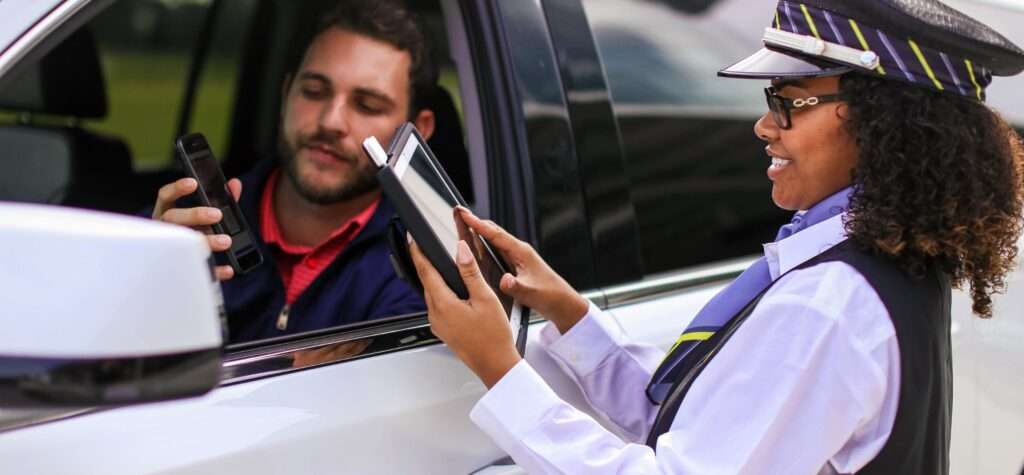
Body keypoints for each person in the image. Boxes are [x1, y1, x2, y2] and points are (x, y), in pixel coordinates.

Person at [407, 0, 1024, 473]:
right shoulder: (874, 267)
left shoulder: (827, 305)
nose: (763, 125)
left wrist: (499, 368)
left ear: (882, 124)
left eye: (789, 102)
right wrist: (569, 314)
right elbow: (698, 420)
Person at [151, 0, 433, 343]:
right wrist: (144, 280)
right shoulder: (185, 225)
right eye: (314, 92)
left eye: (367, 106)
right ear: (285, 93)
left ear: (419, 130)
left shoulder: (422, 272)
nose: (331, 121)